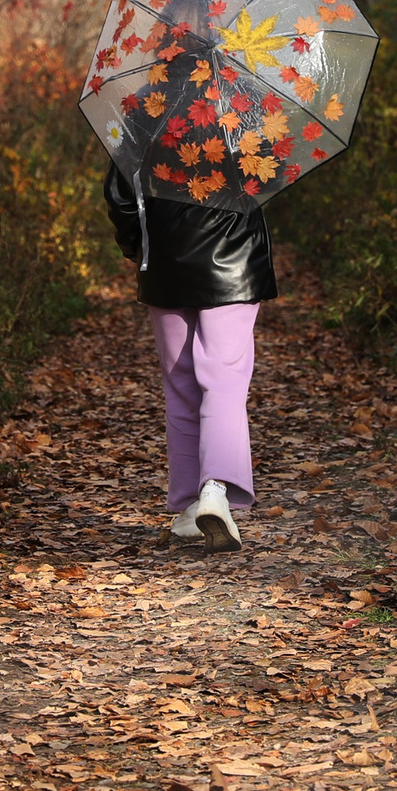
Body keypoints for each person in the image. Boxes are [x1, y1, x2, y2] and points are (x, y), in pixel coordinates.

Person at [104, 156, 274, 551]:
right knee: (224, 380)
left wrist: (139, 246)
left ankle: (190, 504)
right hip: (235, 256)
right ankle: (214, 488)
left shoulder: (140, 122)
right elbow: (269, 176)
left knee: (180, 385)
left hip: (165, 256)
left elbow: (120, 195)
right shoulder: (246, 120)